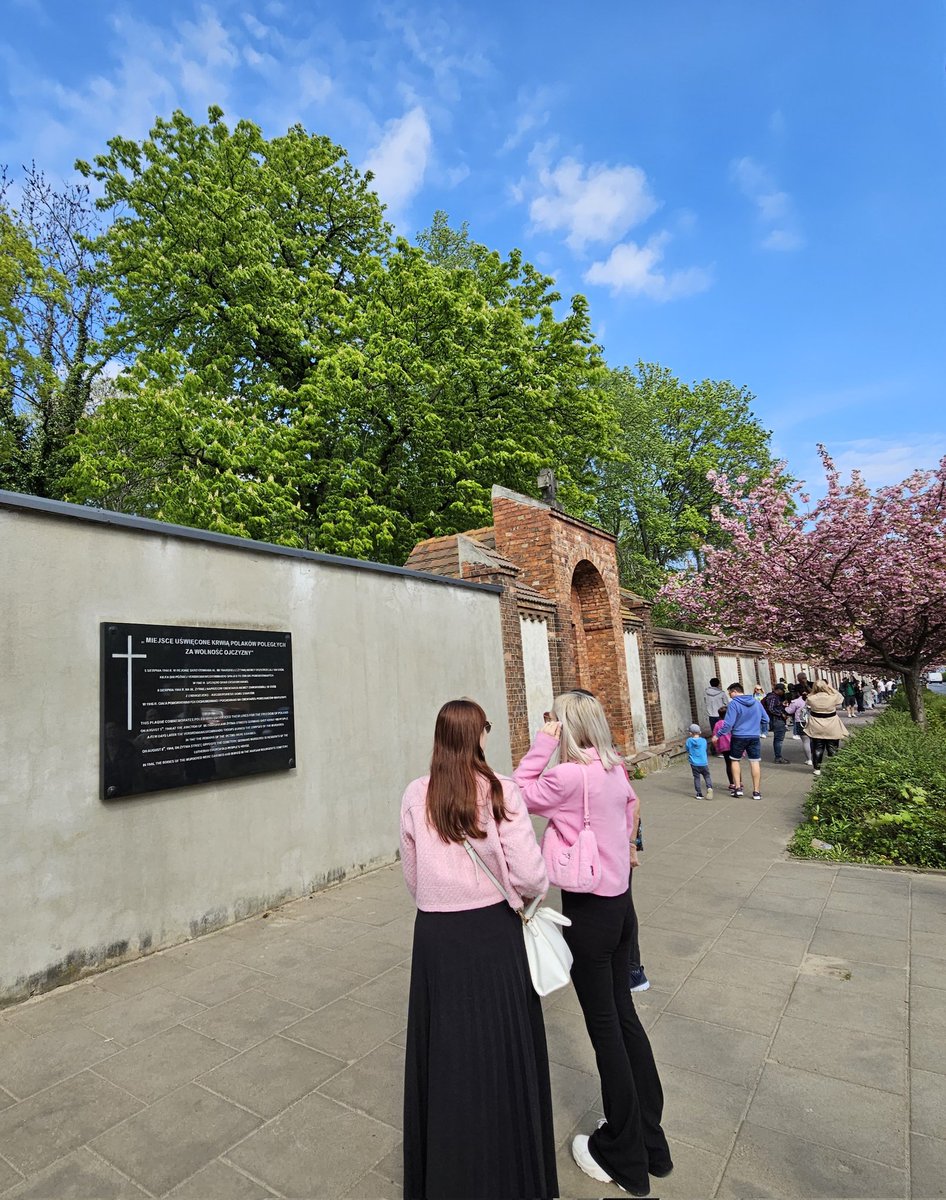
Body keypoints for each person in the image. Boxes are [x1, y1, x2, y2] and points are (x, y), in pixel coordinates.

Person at [515, 691, 672, 1197]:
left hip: (589, 915)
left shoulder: (568, 775)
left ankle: (622, 1155)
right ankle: (652, 1143)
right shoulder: (612, 766)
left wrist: (543, 742)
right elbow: (630, 815)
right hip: (622, 905)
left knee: (605, 1030)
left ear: (565, 724)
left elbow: (517, 794)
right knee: (624, 1020)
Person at [400, 699, 557, 1200]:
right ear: (478, 735)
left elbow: (411, 869)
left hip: (436, 936)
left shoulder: (415, 794)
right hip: (491, 930)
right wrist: (529, 896)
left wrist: (437, 895)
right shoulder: (498, 790)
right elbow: (530, 873)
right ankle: (508, 1165)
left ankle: (445, 1171)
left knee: (443, 1048)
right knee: (501, 1046)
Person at [714, 682, 766, 800]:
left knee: (735, 761)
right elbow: (765, 719)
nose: (730, 696)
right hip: (754, 736)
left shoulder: (734, 704)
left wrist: (718, 735)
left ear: (735, 692)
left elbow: (728, 724)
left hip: (738, 736)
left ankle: (738, 789)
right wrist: (755, 726)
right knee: (754, 762)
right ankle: (756, 792)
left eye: (730, 693)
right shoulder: (756, 703)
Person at [805, 681, 849, 774]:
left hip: (816, 724)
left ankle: (817, 769)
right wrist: (831, 688)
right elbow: (840, 697)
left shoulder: (811, 698)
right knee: (832, 747)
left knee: (817, 747)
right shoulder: (832, 697)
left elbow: (808, 701)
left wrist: (814, 691)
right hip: (832, 723)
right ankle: (833, 767)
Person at [762, 683, 791, 763]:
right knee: (778, 740)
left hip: (775, 720)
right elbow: (771, 708)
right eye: (782, 691)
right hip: (777, 720)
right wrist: (781, 714)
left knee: (778, 739)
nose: (783, 693)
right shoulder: (773, 697)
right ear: (778, 690)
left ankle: (778, 756)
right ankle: (778, 757)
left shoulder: (772, 697)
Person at [685, 722, 714, 799]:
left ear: (690, 733)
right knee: (707, 776)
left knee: (697, 778)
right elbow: (704, 749)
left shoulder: (689, 741)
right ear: (700, 732)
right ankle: (709, 788)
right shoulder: (704, 741)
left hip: (694, 763)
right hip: (703, 762)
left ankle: (699, 793)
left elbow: (687, 749)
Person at [786, 689, 813, 766]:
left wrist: (785, 707)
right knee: (814, 740)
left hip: (801, 722)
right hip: (813, 722)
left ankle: (809, 759)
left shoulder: (796, 701)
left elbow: (789, 711)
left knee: (805, 741)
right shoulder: (814, 700)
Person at [712, 706, 735, 791]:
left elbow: (715, 737)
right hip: (734, 745)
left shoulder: (717, 724)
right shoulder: (732, 722)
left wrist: (717, 748)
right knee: (736, 764)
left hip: (724, 747)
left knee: (728, 764)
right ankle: (739, 782)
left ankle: (732, 783)